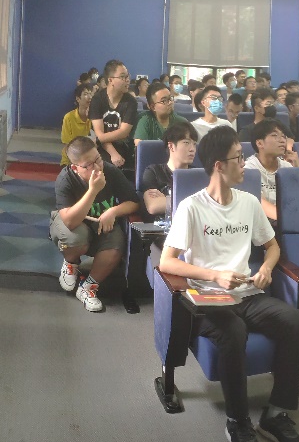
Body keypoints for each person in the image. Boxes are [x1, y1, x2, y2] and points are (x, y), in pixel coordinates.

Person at [159, 126, 299, 442]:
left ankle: (276, 413)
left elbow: (272, 247)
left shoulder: (249, 203)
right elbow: (168, 262)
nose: (244, 164)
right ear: (218, 165)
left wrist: (267, 268)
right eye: (238, 159)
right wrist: (215, 275)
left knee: (295, 321)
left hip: (247, 294)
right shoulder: (191, 208)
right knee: (233, 332)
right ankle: (238, 421)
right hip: (207, 300)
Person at [52, 137, 141, 311]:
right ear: (75, 168)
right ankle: (71, 263)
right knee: (75, 237)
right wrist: (93, 190)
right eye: (88, 165)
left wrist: (113, 211)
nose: (97, 167)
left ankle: (88, 287)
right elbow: (69, 221)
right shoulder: (65, 179)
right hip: (74, 225)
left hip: (101, 224)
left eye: (98, 159)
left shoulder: (110, 171)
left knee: (116, 244)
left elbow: (134, 202)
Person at [244, 119, 299, 221]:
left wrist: (297, 168)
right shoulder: (248, 170)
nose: (282, 140)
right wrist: (288, 219)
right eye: (275, 135)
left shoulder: (287, 167)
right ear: (260, 143)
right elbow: (257, 202)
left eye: (283, 136)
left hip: (286, 221)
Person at [139, 122, 199, 221]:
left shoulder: (197, 174)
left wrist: (166, 199)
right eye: (186, 143)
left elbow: (207, 204)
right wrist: (193, 201)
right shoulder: (153, 171)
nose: (192, 149)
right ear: (171, 146)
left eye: (194, 144)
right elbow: (153, 206)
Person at [89, 59, 139, 173]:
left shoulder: (131, 102)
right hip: (102, 146)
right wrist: (113, 153)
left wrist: (97, 140)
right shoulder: (97, 99)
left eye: (128, 76)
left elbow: (123, 132)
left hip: (121, 144)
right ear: (110, 80)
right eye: (122, 77)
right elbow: (99, 132)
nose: (127, 80)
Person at [61, 83, 95, 165]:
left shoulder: (96, 118)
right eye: (86, 94)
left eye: (91, 94)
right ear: (78, 99)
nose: (90, 97)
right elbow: (67, 144)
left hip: (90, 161)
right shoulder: (69, 117)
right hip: (71, 160)